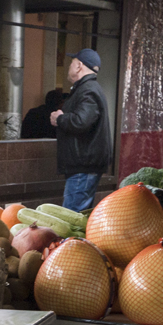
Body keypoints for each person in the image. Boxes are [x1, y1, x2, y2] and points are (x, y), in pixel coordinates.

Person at [50, 49, 112, 212]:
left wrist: (60, 119)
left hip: (83, 165)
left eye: (71, 63)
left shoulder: (88, 90)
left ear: (79, 66)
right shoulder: (86, 88)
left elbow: (82, 121)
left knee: (72, 216)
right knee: (77, 215)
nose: (69, 66)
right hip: (83, 163)